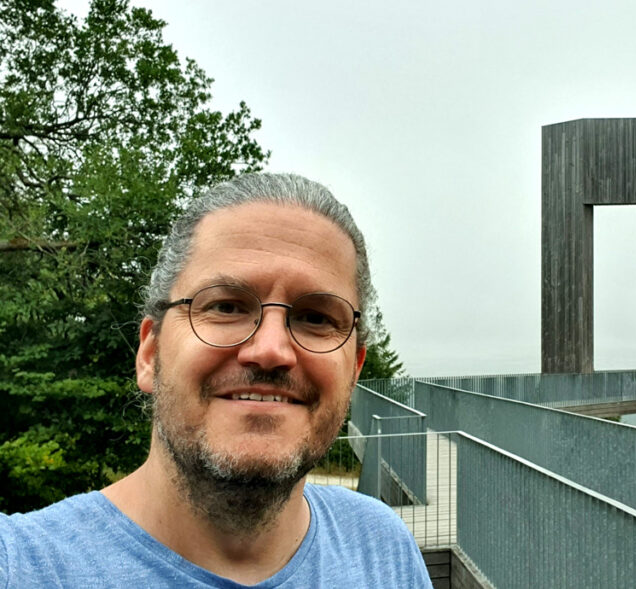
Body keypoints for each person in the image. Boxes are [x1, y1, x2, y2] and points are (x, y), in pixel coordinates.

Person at [0, 173, 432, 587]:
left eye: (315, 318)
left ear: (354, 370)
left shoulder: (382, 549)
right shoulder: (21, 566)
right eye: (226, 307)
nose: (271, 350)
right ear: (150, 353)